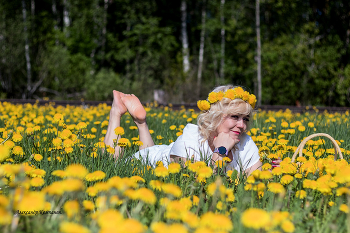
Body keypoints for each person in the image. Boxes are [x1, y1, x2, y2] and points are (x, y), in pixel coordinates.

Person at [104, 85, 262, 175]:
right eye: (235, 117)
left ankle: (141, 122)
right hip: (151, 160)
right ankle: (116, 111)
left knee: (150, 151)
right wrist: (221, 151)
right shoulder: (190, 138)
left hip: (159, 151)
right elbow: (199, 184)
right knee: (113, 164)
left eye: (245, 119)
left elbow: (258, 178)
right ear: (215, 116)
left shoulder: (245, 142)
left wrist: (280, 169)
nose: (242, 125)